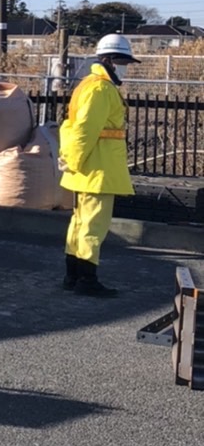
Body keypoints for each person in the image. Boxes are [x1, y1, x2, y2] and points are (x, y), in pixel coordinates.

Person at [59, 33, 136, 297]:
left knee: (80, 224)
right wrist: (73, 161)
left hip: (87, 168)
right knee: (94, 226)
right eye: (122, 61)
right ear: (109, 61)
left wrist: (72, 162)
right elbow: (85, 130)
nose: (125, 67)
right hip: (96, 169)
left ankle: (73, 276)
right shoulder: (101, 89)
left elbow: (78, 128)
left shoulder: (89, 84)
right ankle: (87, 281)